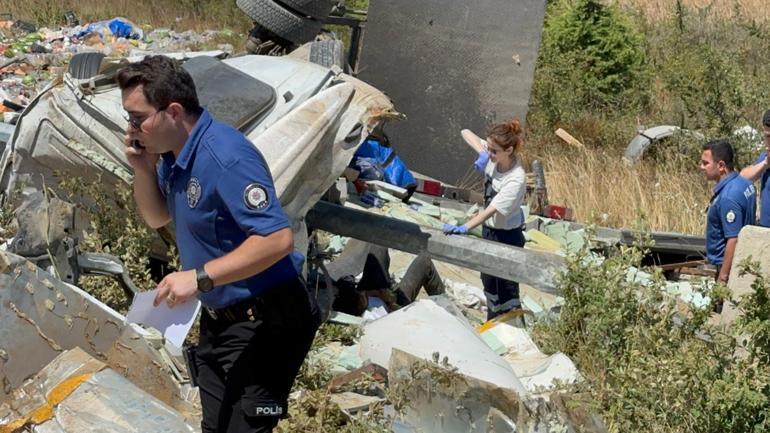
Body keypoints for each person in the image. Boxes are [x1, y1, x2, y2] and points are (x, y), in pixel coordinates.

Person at [117, 55, 319, 433]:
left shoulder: (225, 156)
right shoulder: (173, 156)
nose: (131, 128)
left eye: (137, 117)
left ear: (173, 111)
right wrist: (142, 169)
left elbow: (276, 239)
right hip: (220, 320)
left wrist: (199, 278)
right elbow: (157, 216)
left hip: (267, 319)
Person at [444, 119, 527, 319]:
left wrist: (465, 227)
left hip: (507, 237)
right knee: (489, 281)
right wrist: (482, 152)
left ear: (508, 150)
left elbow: (491, 210)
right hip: (490, 232)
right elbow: (465, 130)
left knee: (506, 289)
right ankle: (492, 320)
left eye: (493, 151)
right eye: (488, 148)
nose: (490, 153)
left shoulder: (516, 179)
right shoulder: (493, 155)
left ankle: (511, 330)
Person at [701, 139, 756, 283]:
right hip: (741, 261)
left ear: (721, 166)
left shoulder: (728, 197)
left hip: (728, 266)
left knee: (722, 305)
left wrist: (723, 277)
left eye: (706, 163)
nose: (701, 167)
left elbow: (733, 238)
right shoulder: (745, 183)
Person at [739, 110, 770, 226]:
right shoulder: (765, 157)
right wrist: (765, 164)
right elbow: (743, 177)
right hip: (764, 231)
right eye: (767, 136)